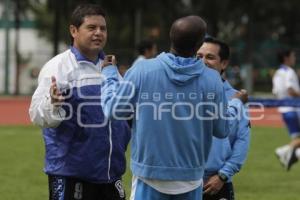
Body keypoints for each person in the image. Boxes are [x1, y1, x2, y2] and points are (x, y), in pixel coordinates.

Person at [100, 16, 245, 200]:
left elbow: (112, 110)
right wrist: (236, 103)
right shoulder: (212, 79)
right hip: (191, 179)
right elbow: (222, 129)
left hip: (149, 175)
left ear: (171, 37)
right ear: (199, 44)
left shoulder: (142, 70)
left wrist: (109, 73)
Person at [29, 4, 130, 200]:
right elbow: (36, 115)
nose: (99, 33)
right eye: (91, 28)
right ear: (73, 31)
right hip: (71, 175)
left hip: (110, 174)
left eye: (103, 28)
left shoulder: (110, 69)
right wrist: (53, 104)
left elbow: (122, 113)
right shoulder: (57, 68)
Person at [197, 37, 251, 200]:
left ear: (224, 64)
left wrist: (222, 176)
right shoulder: (183, 92)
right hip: (182, 182)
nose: (202, 61)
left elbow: (242, 142)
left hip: (217, 184)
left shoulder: (235, 97)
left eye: (210, 57)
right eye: (198, 56)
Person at [272, 49, 300, 170]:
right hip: (293, 109)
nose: (295, 58)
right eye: (293, 56)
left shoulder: (277, 73)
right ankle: (283, 151)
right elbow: (290, 89)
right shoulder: (289, 71)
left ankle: (289, 156)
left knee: (297, 139)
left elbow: (275, 92)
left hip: (283, 109)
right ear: (286, 58)